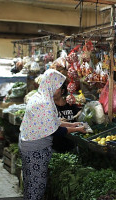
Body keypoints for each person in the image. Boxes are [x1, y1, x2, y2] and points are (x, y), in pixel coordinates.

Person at [19, 69, 86, 200]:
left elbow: (54, 122)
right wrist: (77, 130)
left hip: (29, 146)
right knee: (36, 186)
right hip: (35, 149)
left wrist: (73, 125)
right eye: (58, 87)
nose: (60, 90)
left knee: (31, 183)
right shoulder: (44, 103)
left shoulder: (41, 97)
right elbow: (55, 131)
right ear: (51, 85)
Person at [53, 81, 82, 152]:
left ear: (62, 91)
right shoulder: (50, 107)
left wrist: (79, 114)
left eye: (56, 89)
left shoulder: (70, 103)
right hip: (56, 145)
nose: (52, 91)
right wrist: (58, 122)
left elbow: (78, 113)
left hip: (72, 144)